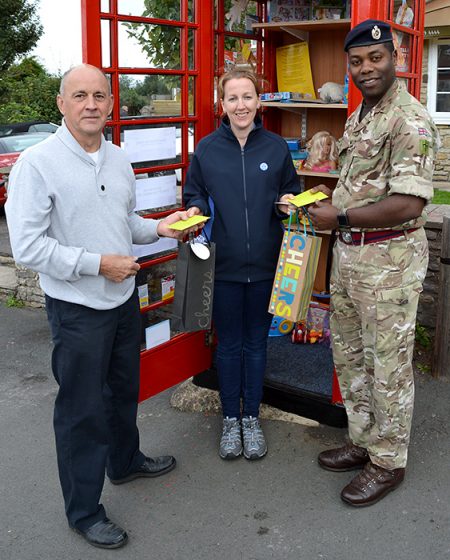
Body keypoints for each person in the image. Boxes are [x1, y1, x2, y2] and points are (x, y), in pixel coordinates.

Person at [5, 64, 199, 549]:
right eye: (80, 96)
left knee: (121, 392)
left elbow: (125, 220)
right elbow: (27, 247)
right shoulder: (38, 164)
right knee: (81, 412)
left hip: (120, 301)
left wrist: (161, 227)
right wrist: (97, 265)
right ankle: (84, 510)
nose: (91, 104)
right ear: (61, 103)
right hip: (76, 309)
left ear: (111, 103)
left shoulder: (117, 158)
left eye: (99, 96)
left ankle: (125, 461)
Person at [308, 20, 439, 507]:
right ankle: (363, 440)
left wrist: (338, 213)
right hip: (350, 257)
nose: (366, 68)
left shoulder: (410, 120)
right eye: (357, 61)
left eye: (375, 58)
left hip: (390, 262)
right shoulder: (362, 114)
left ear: (395, 58)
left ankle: (388, 461)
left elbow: (409, 204)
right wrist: (329, 195)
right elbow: (363, 181)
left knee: (388, 366)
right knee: (351, 356)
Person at [183, 69, 299, 461]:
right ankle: (230, 418)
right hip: (224, 267)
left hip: (267, 265)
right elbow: (193, 192)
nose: (241, 105)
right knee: (229, 345)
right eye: (232, 98)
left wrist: (288, 204)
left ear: (259, 101)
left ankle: (252, 416)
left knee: (257, 344)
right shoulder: (207, 149)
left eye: (247, 97)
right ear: (222, 104)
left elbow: (292, 191)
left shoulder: (276, 148)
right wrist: (195, 209)